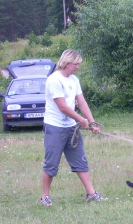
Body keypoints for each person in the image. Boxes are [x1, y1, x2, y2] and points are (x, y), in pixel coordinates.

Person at [40, 49, 106, 206]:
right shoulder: (54, 80)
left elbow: (81, 103)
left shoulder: (74, 80)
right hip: (55, 127)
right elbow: (62, 107)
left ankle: (91, 194)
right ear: (67, 62)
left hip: (71, 128)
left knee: (81, 161)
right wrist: (81, 120)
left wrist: (92, 122)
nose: (77, 67)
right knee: (51, 164)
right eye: (76, 64)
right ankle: (45, 197)